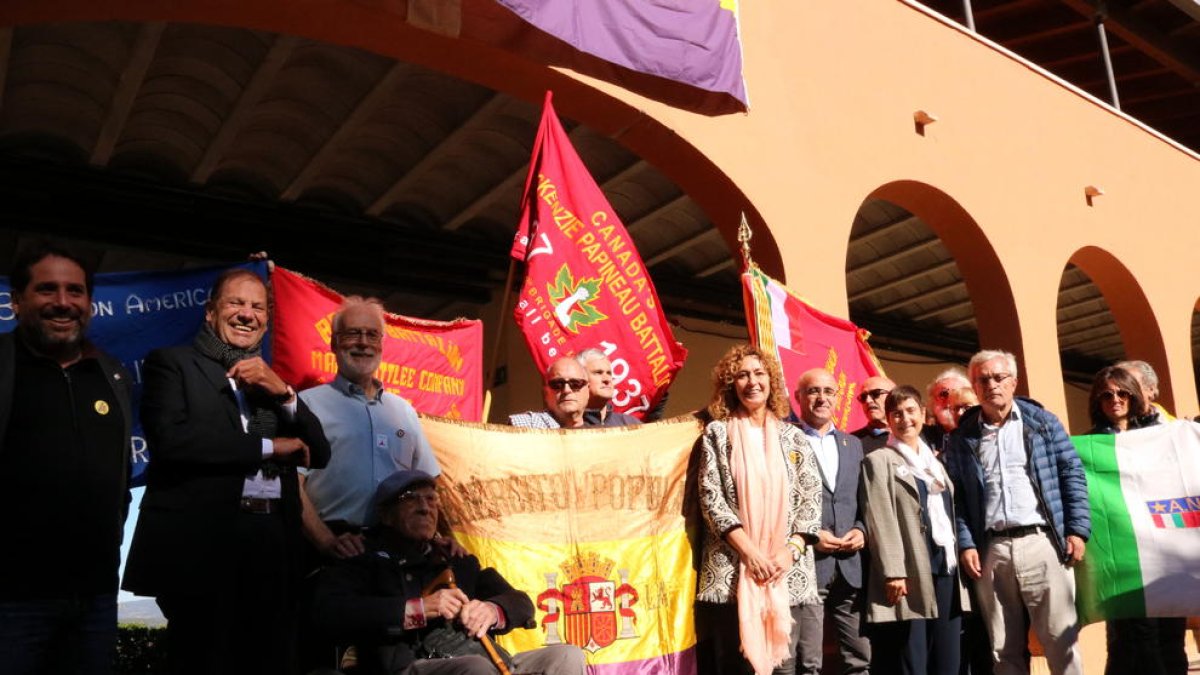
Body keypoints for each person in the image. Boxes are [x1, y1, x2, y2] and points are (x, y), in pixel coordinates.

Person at [123, 267, 332, 675]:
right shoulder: (172, 363)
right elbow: (174, 442)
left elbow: (319, 452)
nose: (246, 314)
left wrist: (285, 393)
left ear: (267, 320)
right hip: (201, 552)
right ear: (210, 313)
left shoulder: (273, 382)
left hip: (273, 550)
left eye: (257, 307)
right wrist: (271, 446)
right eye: (235, 303)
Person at [0, 243, 133, 675]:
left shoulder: (109, 373)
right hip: (12, 602)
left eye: (75, 291)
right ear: (17, 301)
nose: (63, 302)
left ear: (89, 304)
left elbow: (118, 479)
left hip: (94, 599)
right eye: (47, 289)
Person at [310, 469, 587, 675]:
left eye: (432, 499)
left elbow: (521, 602)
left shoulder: (455, 559)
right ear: (386, 515)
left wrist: (492, 610)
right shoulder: (364, 558)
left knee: (566, 657)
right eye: (411, 498)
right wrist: (417, 609)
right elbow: (329, 611)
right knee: (475, 669)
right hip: (412, 666)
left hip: (494, 662)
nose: (425, 506)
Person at [943, 349, 1089, 675]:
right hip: (992, 550)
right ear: (974, 386)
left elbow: (1072, 474)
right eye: (983, 379)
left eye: (999, 377)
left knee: (1060, 640)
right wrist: (966, 543)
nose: (991, 385)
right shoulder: (962, 438)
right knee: (1002, 648)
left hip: (1043, 542)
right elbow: (959, 499)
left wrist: (1077, 529)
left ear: (1013, 382)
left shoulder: (1043, 423)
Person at [695, 345, 822, 675]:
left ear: (771, 381)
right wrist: (750, 553)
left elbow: (811, 499)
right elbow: (712, 498)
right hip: (733, 571)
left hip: (786, 571)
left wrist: (788, 552)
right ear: (730, 384)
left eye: (759, 373)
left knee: (787, 667)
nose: (752, 381)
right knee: (737, 666)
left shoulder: (794, 437)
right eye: (742, 375)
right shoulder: (717, 433)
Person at [299, 296, 441, 560]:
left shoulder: (404, 411)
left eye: (372, 335)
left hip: (399, 551)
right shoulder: (307, 405)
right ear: (333, 342)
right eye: (353, 333)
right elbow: (292, 485)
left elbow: (429, 485)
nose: (363, 342)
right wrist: (326, 542)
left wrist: (441, 539)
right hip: (332, 549)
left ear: (382, 345)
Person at [1086, 366, 1187, 675]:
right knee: (1130, 636)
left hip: (1164, 549)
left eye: (1122, 392)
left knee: (1170, 632)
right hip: (1122, 552)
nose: (1114, 399)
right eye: (1106, 395)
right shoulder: (1090, 445)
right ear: (1097, 402)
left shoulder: (1160, 437)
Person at [860, 386, 965, 675]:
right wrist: (893, 571)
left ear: (922, 414)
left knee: (948, 658)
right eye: (896, 413)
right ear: (889, 419)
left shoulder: (936, 465)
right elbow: (880, 518)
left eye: (910, 411)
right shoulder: (879, 461)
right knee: (913, 659)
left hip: (945, 567)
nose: (905, 419)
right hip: (910, 572)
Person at [794, 368, 871, 675]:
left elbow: (863, 500)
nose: (822, 398)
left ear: (838, 398)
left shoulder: (853, 445)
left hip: (850, 566)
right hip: (809, 565)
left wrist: (861, 530)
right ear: (799, 397)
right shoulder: (787, 440)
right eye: (813, 391)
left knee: (860, 658)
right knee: (808, 661)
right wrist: (811, 536)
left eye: (828, 391)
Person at [508, 357, 591, 429]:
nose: (566, 390)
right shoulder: (525, 426)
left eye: (575, 384)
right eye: (557, 384)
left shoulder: (601, 435)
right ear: (545, 393)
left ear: (588, 390)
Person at [575, 348, 641, 427]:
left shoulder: (630, 424)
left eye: (609, 373)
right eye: (598, 373)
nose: (607, 379)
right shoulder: (568, 425)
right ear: (580, 379)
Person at [921, 369, 971, 454]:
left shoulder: (982, 432)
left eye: (956, 394)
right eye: (943, 394)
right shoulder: (920, 436)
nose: (950, 399)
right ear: (932, 403)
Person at [1117, 360, 1175, 424]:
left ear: (1150, 389)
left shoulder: (1174, 427)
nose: (1116, 397)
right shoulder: (1106, 431)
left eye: (1130, 385)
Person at [851, 375, 895, 453]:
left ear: (894, 397)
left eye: (875, 394)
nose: (868, 401)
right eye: (863, 397)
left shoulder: (915, 434)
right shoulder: (852, 442)